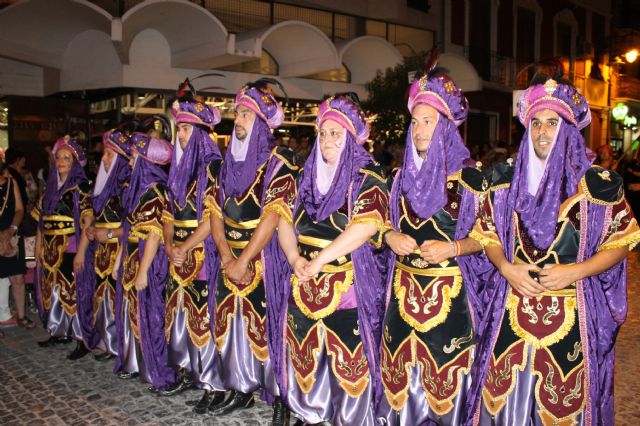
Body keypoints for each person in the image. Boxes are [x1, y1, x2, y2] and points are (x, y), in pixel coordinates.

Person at [465, 76, 640, 425]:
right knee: (502, 400)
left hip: (572, 315)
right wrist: (505, 267)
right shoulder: (503, 180)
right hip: (510, 310)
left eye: (552, 123)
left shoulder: (596, 186)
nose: (543, 131)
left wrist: (576, 271)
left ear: (569, 129)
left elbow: (623, 239)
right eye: (536, 123)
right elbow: (485, 232)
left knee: (563, 403)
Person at [377, 70, 488, 425]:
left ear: (447, 126)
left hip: (451, 298)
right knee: (401, 372)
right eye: (415, 122)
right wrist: (389, 236)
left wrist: (454, 248)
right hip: (403, 294)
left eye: (429, 121)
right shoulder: (399, 178)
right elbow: (381, 223)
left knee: (447, 375)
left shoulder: (470, 179)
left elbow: (491, 237)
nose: (420, 130)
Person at [276, 94, 389, 425]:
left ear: (351, 138)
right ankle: (307, 412)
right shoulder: (303, 176)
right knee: (304, 349)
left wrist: (322, 259)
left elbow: (366, 226)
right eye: (323, 133)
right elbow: (284, 219)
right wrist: (294, 256)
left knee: (347, 357)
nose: (327, 140)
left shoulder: (368, 176)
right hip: (305, 280)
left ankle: (347, 418)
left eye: (335, 133)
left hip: (347, 285)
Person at [209, 79, 299, 425]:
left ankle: (281, 397)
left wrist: (245, 259)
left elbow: (273, 215)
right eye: (238, 114)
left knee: (273, 325)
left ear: (261, 121)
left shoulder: (280, 162)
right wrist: (226, 257)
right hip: (230, 256)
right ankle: (240, 388)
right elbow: (214, 213)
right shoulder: (225, 163)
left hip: (267, 260)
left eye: (247, 114)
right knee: (232, 323)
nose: (240, 120)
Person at [161, 92, 224, 408]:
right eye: (179, 129)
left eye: (185, 129)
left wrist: (185, 246)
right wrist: (171, 244)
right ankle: (187, 373)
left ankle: (212, 383)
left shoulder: (213, 168)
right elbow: (169, 215)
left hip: (202, 254)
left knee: (204, 318)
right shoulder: (177, 167)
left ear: (199, 133)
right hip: (180, 256)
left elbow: (213, 216)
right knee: (180, 317)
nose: (180, 135)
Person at [110, 132, 178, 392]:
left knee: (151, 315)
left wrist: (143, 271)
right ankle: (138, 363)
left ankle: (158, 370)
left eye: (135, 156)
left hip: (150, 260)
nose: (129, 161)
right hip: (133, 256)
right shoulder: (138, 190)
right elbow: (129, 230)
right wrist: (119, 261)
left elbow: (153, 233)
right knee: (135, 314)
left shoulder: (155, 191)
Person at [32, 137, 93, 359]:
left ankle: (81, 338)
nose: (61, 161)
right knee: (53, 292)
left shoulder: (81, 188)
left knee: (73, 293)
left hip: (70, 247)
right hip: (49, 250)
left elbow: (88, 223)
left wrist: (81, 252)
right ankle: (58, 331)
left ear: (75, 161)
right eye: (58, 157)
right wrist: (38, 250)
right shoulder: (49, 187)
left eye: (67, 158)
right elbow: (41, 223)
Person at [82, 129, 133, 362]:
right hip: (102, 252)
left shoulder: (127, 186)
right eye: (104, 154)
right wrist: (93, 230)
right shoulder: (102, 187)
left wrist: (110, 232)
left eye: (110, 155)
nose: (104, 159)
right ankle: (105, 340)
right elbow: (96, 217)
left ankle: (120, 346)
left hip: (121, 252)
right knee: (101, 297)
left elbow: (136, 226)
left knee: (118, 299)